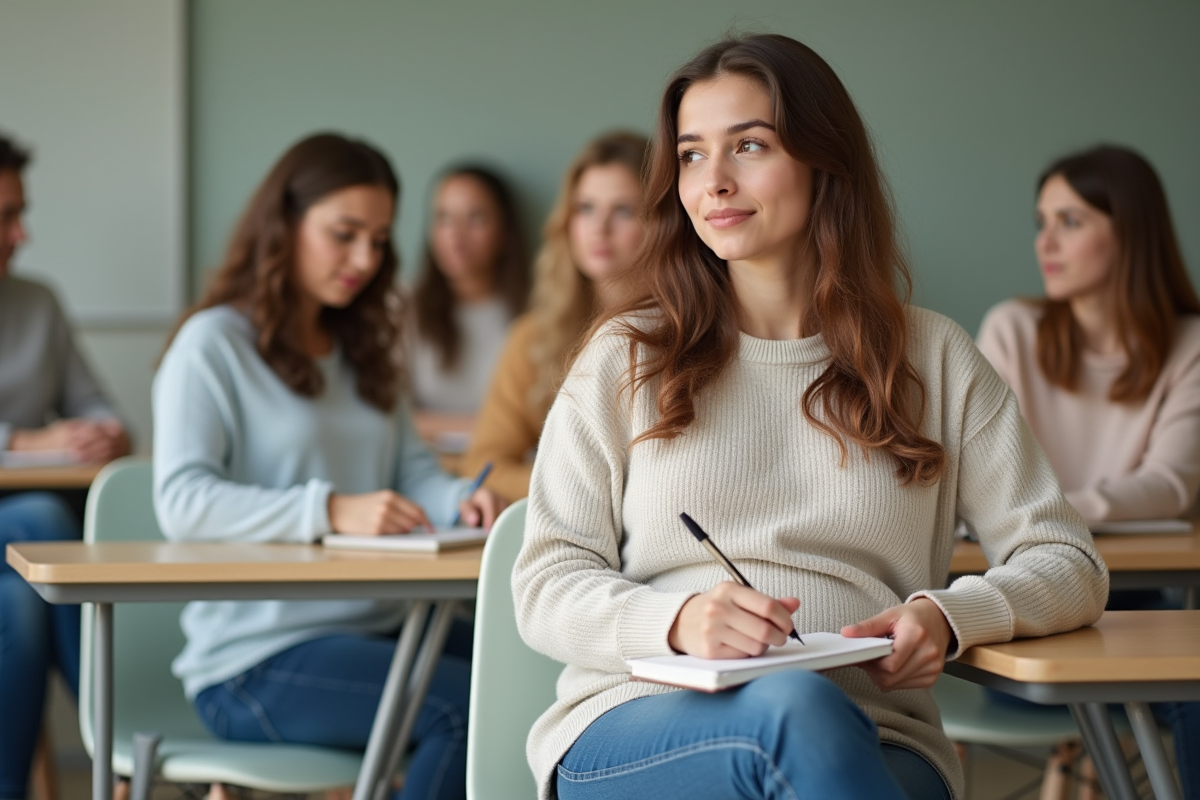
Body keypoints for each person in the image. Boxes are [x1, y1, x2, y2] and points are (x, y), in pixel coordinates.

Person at [511, 34, 1109, 800]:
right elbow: (546, 584)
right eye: (692, 156)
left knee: (812, 723)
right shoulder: (626, 356)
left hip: (879, 737)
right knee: (796, 713)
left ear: (824, 161)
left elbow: (1069, 563)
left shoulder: (935, 357)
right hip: (641, 729)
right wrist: (679, 621)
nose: (715, 182)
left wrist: (949, 615)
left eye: (749, 146)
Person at [152, 133, 505, 800]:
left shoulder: (363, 344)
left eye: (378, 239)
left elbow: (410, 471)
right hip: (255, 661)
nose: (365, 259)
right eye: (344, 234)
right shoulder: (212, 345)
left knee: (532, 672)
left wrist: (458, 496)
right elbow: (183, 500)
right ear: (284, 224)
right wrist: (330, 509)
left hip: (380, 626)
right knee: (461, 712)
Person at [977, 144, 1200, 799]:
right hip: (1026, 603)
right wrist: (1050, 518)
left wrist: (1043, 506)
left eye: (1071, 222)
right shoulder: (1012, 330)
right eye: (1042, 222)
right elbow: (975, 483)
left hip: (1136, 607)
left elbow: (1173, 487)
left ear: (1130, 234)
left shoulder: (1191, 346)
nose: (1047, 242)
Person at [0, 132, 129, 800]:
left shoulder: (37, 303)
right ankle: (125, 747)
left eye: (20, 213)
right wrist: (22, 442)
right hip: (37, 518)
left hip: (18, 549)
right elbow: (30, 442)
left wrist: (104, 432)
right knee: (49, 520)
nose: (20, 234)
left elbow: (96, 404)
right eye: (3, 217)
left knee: (21, 602)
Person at [459, 131, 649, 500]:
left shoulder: (696, 330)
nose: (599, 228)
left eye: (624, 210)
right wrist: (577, 485)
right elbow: (484, 464)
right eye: (586, 208)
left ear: (664, 222)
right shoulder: (534, 336)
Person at [406, 165, 530, 446]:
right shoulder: (403, 307)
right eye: (444, 218)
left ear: (505, 232)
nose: (455, 235)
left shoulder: (535, 314)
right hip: (427, 468)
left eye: (475, 218)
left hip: (506, 467)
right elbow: (391, 419)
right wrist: (494, 428)